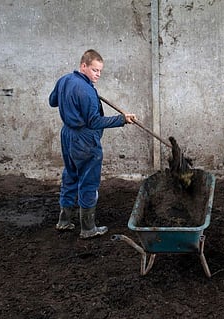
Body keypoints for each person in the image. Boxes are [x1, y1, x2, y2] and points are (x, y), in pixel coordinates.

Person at [49, 49, 137, 239]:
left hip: (67, 135)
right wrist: (122, 119)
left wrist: (70, 101)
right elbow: (94, 122)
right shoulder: (88, 92)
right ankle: (88, 228)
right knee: (88, 180)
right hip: (84, 139)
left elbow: (52, 101)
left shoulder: (64, 80)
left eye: (100, 71)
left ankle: (64, 220)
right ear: (83, 66)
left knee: (70, 174)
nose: (97, 75)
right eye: (95, 70)